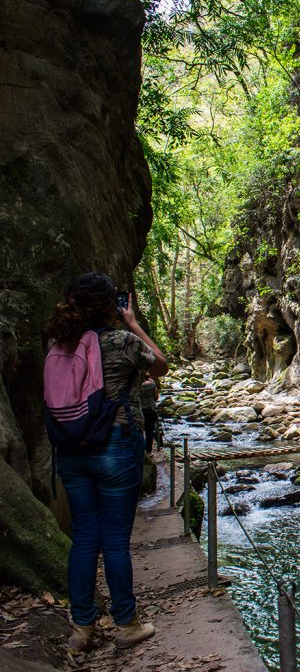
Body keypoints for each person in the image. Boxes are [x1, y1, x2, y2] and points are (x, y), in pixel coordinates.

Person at [45, 273, 168, 653]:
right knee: (115, 540)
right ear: (110, 306)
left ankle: (82, 629)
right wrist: (133, 323)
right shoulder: (122, 340)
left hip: (70, 450)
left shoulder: (58, 343)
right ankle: (126, 623)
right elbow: (160, 366)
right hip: (115, 444)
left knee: (83, 538)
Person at [139, 373, 159, 454]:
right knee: (149, 431)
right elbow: (156, 397)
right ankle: (149, 450)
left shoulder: (137, 385)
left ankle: (140, 449)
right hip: (151, 409)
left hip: (140, 409)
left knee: (139, 430)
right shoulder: (152, 384)